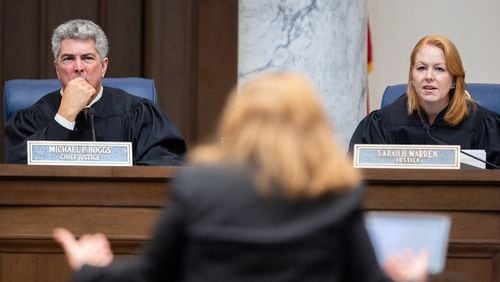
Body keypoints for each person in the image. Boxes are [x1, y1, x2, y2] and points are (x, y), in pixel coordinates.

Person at [53, 73, 428, 281]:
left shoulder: (198, 186)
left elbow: (152, 275)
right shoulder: (335, 193)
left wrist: (89, 270)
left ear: (238, 121)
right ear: (313, 126)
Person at [4, 19, 186, 165]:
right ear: (57, 69)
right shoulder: (33, 117)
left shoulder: (137, 112)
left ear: (104, 66)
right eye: (68, 59)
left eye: (87, 58)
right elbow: (17, 170)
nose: (78, 67)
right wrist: (64, 118)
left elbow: (165, 165)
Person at [349, 35, 500, 168]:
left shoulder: (482, 125)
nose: (429, 76)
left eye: (439, 69)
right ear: (412, 75)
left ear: (454, 79)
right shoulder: (382, 124)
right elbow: (353, 181)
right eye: (421, 68)